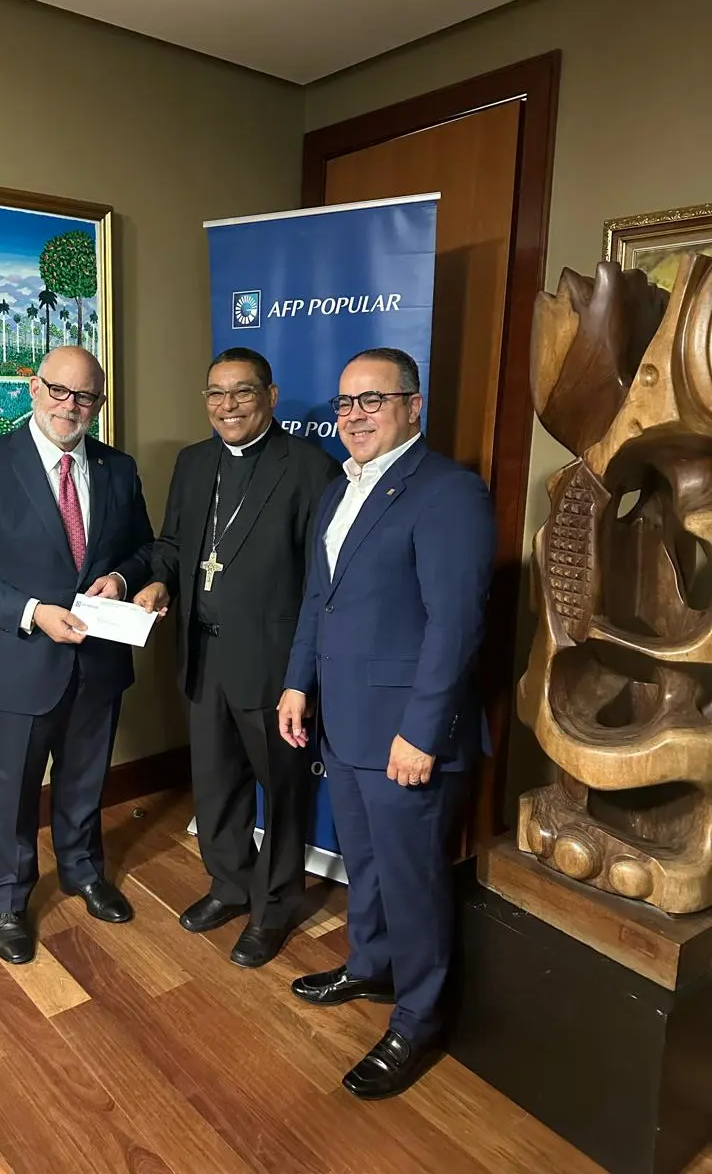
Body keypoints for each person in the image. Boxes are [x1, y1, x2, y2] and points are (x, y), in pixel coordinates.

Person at [278, 346, 495, 1099]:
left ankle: (419, 1018)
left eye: (373, 400)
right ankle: (371, 967)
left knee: (413, 881)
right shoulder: (341, 489)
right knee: (366, 865)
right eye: (346, 402)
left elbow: (455, 626)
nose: (355, 415)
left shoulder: (448, 492)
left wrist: (422, 732)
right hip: (344, 722)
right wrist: (297, 684)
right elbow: (319, 600)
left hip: (406, 735)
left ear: (413, 406)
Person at [0, 345, 155, 964]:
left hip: (99, 661)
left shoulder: (117, 468)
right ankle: (7, 899)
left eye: (85, 396)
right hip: (18, 662)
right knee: (14, 790)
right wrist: (33, 612)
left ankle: (83, 870)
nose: (70, 405)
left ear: (98, 404)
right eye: (59, 390)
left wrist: (124, 580)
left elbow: (144, 549)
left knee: (85, 780)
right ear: (34, 388)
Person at [135, 347, 342, 968]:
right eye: (216, 394)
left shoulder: (310, 467)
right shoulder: (193, 462)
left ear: (270, 397)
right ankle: (229, 884)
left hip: (273, 664)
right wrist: (160, 582)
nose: (227, 406)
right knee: (216, 782)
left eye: (242, 392)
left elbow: (322, 582)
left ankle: (274, 907)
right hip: (202, 652)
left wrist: (303, 674)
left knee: (282, 791)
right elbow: (173, 543)